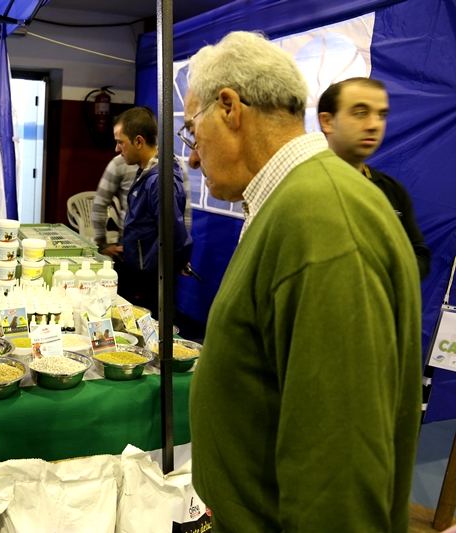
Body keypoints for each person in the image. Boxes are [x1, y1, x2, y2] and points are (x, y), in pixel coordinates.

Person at [184, 32, 421, 533]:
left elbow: (339, 468)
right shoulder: (290, 201)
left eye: (191, 133)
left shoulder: (322, 218)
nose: (192, 157)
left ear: (229, 108)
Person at [318, 77, 430, 279]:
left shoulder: (392, 190)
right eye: (361, 113)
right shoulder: (297, 184)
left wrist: (387, 272)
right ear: (327, 121)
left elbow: (419, 254)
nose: (374, 125)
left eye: (382, 115)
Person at [113, 107, 193, 317]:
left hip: (151, 279)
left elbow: (174, 230)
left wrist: (178, 259)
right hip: (140, 272)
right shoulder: (146, 172)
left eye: (121, 142)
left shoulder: (158, 180)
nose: (117, 149)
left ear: (138, 141)